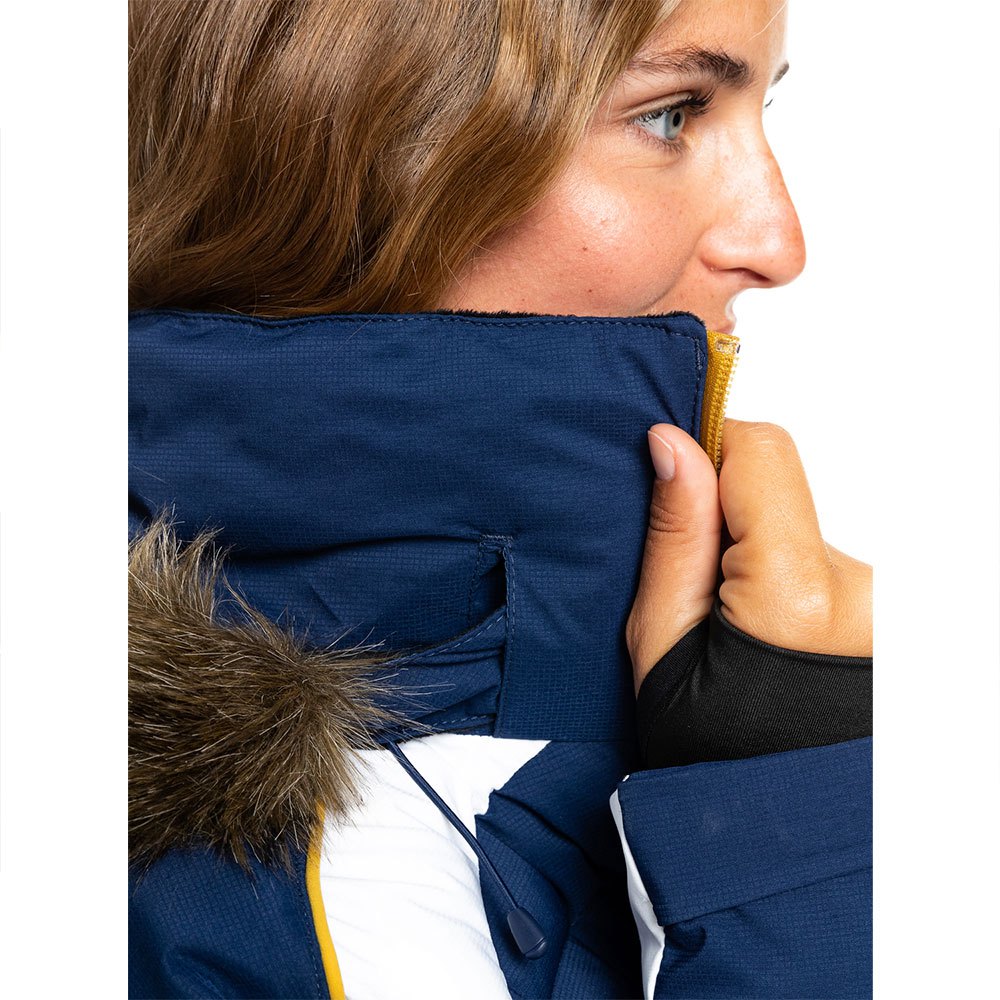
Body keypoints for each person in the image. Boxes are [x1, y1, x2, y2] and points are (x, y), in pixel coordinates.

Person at [128, 1, 873, 997]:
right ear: (349, 150)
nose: (780, 243)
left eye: (760, 113)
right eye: (672, 114)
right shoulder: (269, 910)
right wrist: (791, 825)